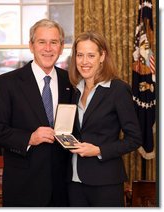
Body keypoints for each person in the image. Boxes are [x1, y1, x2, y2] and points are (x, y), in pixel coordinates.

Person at [0, 19, 73, 206]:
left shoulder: (71, 82)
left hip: (64, 188)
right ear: (31, 46)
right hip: (24, 187)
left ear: (62, 47)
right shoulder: (7, 83)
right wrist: (29, 138)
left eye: (54, 42)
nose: (48, 48)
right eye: (42, 42)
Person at [67, 31, 142, 207]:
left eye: (91, 55)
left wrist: (99, 150)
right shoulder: (74, 90)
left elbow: (135, 139)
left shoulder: (118, 90)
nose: (84, 61)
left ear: (102, 56)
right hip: (73, 181)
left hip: (105, 182)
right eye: (80, 55)